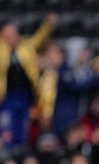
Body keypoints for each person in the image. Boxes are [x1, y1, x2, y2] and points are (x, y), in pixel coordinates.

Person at [0, 13, 57, 149]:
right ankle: (7, 150)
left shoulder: (26, 47)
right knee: (7, 124)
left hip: (25, 92)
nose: (10, 37)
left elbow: (39, 38)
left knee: (23, 123)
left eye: (12, 33)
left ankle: (21, 148)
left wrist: (47, 25)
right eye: (6, 33)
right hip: (6, 94)